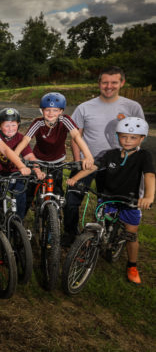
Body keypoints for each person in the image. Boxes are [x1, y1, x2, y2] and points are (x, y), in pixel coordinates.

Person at [67, 117, 154, 284]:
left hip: (131, 201)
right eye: (123, 137)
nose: (128, 141)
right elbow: (93, 166)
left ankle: (132, 265)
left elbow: (149, 175)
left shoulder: (144, 156)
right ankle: (86, 250)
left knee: (131, 235)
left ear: (142, 138)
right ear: (117, 136)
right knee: (96, 225)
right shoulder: (110, 154)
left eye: (133, 137)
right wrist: (76, 178)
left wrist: (148, 197)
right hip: (108, 197)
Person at [64, 66, 145, 244]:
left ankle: (107, 235)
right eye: (105, 82)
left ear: (122, 83)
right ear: (99, 83)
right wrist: (78, 161)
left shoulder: (133, 107)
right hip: (89, 162)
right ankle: (70, 233)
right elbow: (76, 137)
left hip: (116, 166)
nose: (109, 86)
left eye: (114, 82)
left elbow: (139, 137)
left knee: (109, 204)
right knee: (71, 200)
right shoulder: (85, 107)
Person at [14, 92, 94, 219]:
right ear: (42, 110)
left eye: (55, 110)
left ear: (61, 111)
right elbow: (26, 139)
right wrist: (16, 155)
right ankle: (19, 222)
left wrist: (88, 156)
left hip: (57, 160)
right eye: (47, 110)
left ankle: (55, 218)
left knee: (57, 191)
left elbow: (76, 136)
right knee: (30, 190)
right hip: (39, 160)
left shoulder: (65, 120)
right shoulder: (38, 123)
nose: (51, 113)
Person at [0, 108, 42, 219]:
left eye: (13, 125)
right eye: (6, 126)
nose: (10, 129)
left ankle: (18, 221)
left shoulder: (20, 138)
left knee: (20, 194)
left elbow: (29, 156)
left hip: (13, 172)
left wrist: (37, 169)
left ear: (18, 125)